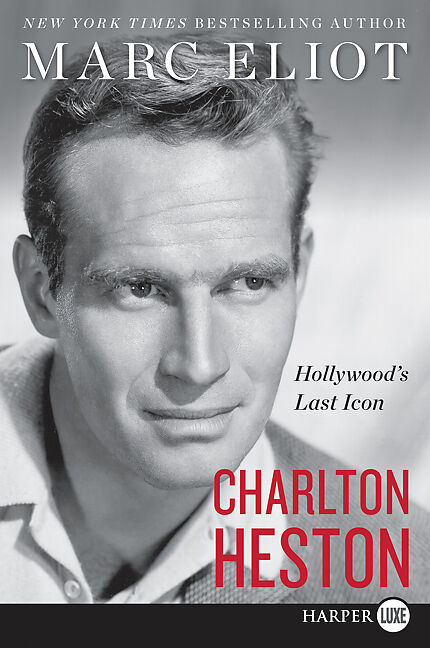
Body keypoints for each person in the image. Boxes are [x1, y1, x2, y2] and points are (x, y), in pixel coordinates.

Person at [0, 33, 428, 604]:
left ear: (300, 275)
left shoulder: (404, 577)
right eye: (139, 288)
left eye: (248, 284)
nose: (199, 366)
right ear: (40, 290)